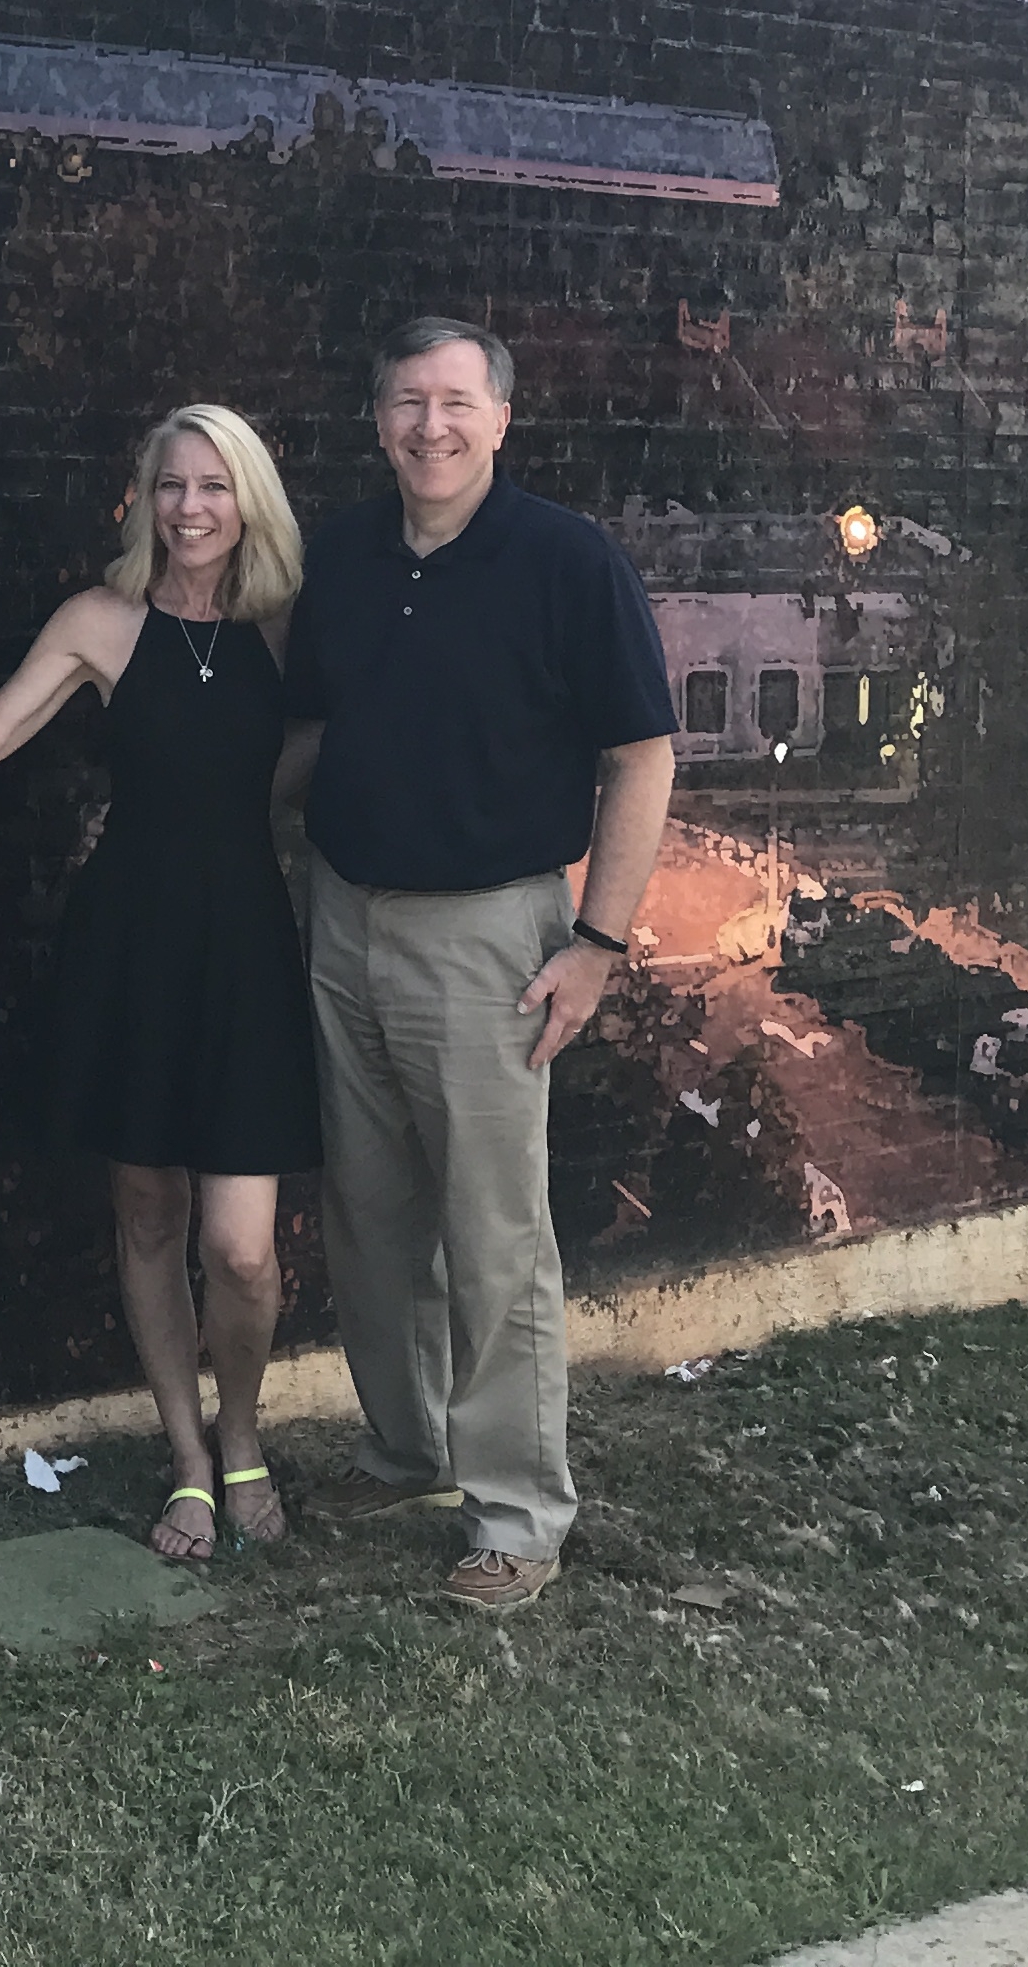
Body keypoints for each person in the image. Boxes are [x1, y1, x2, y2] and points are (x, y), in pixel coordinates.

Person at [284, 316, 677, 1612]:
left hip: (491, 940)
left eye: (456, 402)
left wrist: (599, 945)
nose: (431, 426)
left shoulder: (567, 563)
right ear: (380, 420)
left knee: (494, 1234)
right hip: (344, 917)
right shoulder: (340, 556)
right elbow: (312, 731)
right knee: (371, 1213)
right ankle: (407, 1451)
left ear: (502, 420)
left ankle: (514, 1514)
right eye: (408, 403)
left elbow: (640, 757)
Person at [0, 405, 320, 1563]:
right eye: (171, 486)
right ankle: (189, 1464)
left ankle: (244, 1436)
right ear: (144, 497)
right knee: (146, 1210)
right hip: (133, 941)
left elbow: (303, 773)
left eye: (214, 488)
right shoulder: (101, 622)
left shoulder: (284, 630)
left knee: (241, 1248)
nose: (190, 508)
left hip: (247, 948)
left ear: (250, 502)